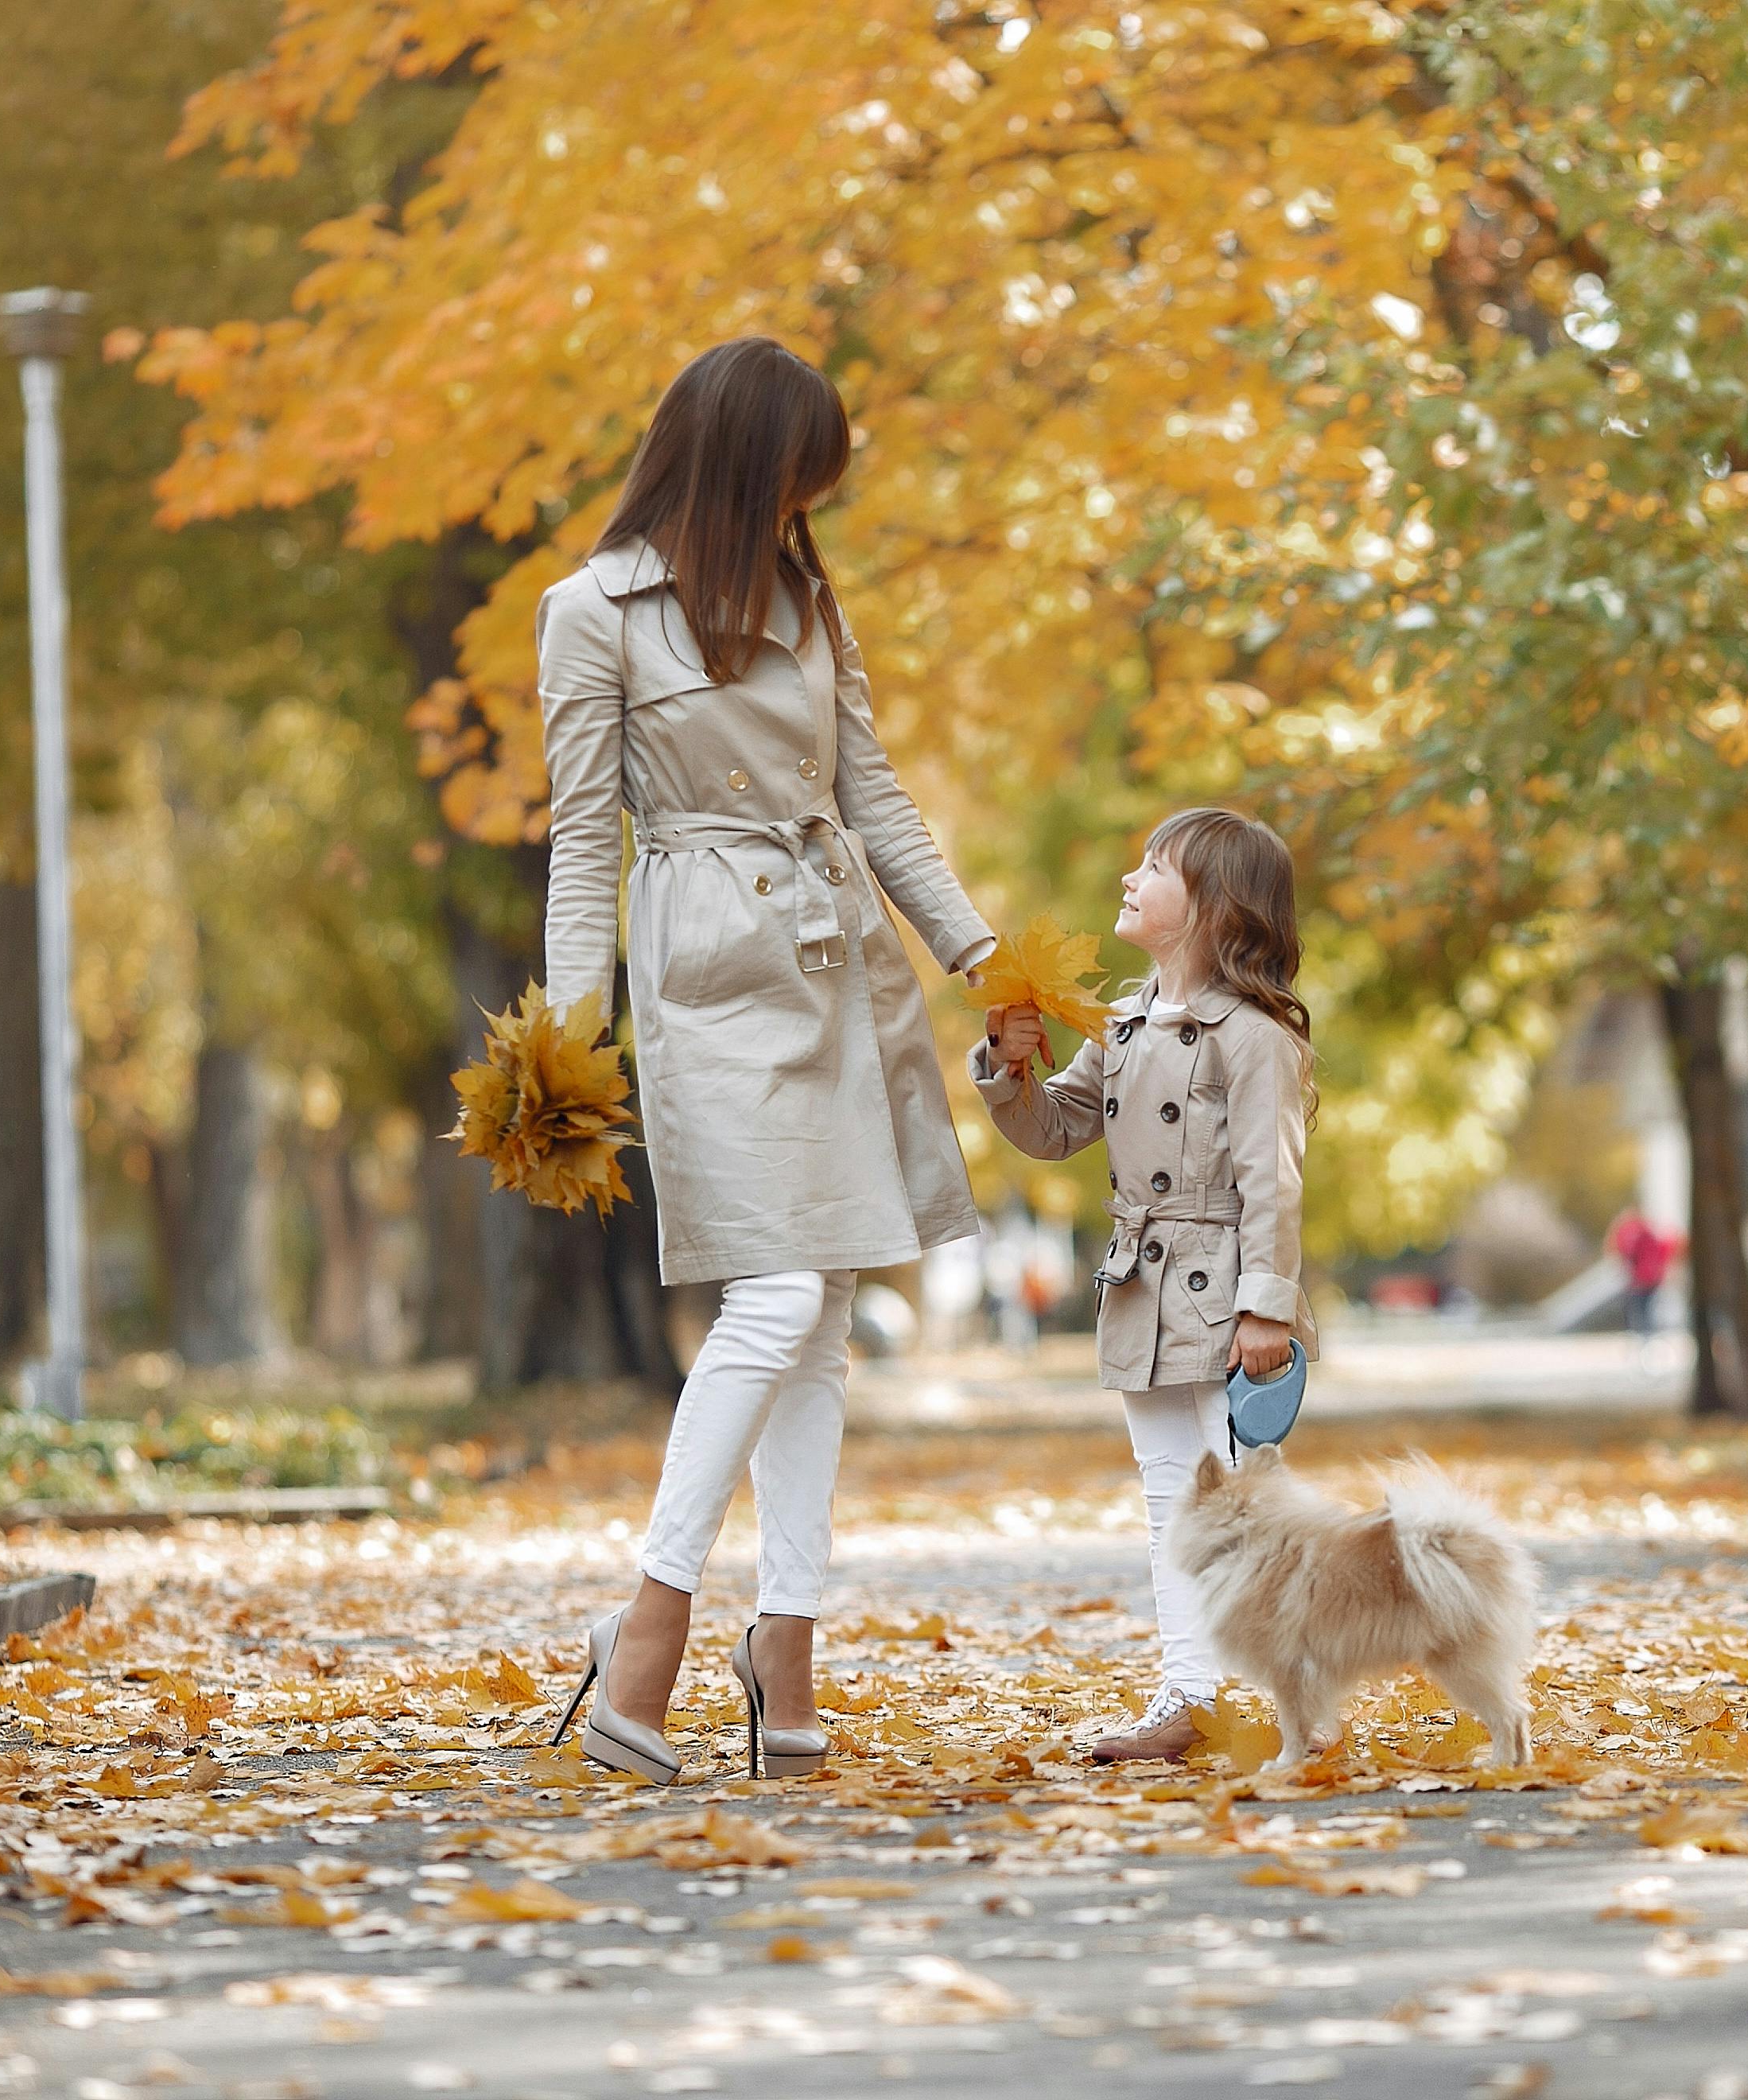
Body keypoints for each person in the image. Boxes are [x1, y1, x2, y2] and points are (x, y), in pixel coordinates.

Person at [537, 339, 997, 1784]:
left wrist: (985, 959)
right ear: (744, 466)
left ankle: (785, 1641)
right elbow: (583, 844)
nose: (812, 505)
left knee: (830, 1308)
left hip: (829, 962)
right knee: (780, 1289)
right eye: (798, 478)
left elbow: (875, 798)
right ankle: (655, 1621)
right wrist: (564, 1045)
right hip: (705, 980)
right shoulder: (591, 613)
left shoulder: (808, 601)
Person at [974, 809, 1316, 1763]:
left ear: (1211, 907)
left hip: (1223, 1296)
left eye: (1154, 868)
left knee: (1247, 1513)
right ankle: (1189, 1697)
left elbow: (1272, 1181)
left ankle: (1293, 1701)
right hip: (1143, 1292)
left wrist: (1266, 1307)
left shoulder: (1251, 1038)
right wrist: (1010, 1069)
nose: (1130, 878)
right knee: (1171, 1505)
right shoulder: (1120, 1023)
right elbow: (1054, 1129)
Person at [1607, 1204, 1682, 1340]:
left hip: (1640, 1280)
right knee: (1646, 1313)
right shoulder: (1648, 1232)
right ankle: (1647, 1339)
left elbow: (1624, 1252)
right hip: (1651, 1279)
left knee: (1640, 1314)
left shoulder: (1631, 1232)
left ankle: (1644, 1340)